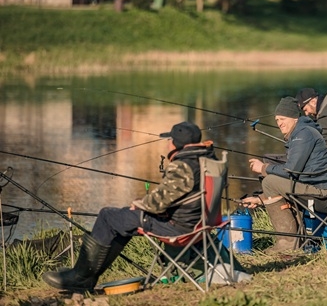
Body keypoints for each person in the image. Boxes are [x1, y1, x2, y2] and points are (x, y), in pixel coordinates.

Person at [42, 121, 230, 292]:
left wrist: (138, 203)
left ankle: (81, 276)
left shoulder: (184, 166)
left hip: (178, 228)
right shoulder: (208, 160)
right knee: (121, 219)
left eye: (170, 140)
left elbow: (157, 204)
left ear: (176, 143)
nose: (168, 144)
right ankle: (86, 276)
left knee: (108, 215)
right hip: (201, 223)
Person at [244, 97, 327, 252]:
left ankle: (288, 244)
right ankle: (292, 240)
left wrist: (263, 167)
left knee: (269, 181)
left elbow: (291, 171)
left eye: (282, 119)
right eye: (277, 120)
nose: (279, 123)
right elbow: (293, 175)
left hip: (323, 191)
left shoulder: (302, 134)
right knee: (272, 181)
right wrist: (260, 199)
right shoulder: (302, 131)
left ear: (294, 118)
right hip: (317, 184)